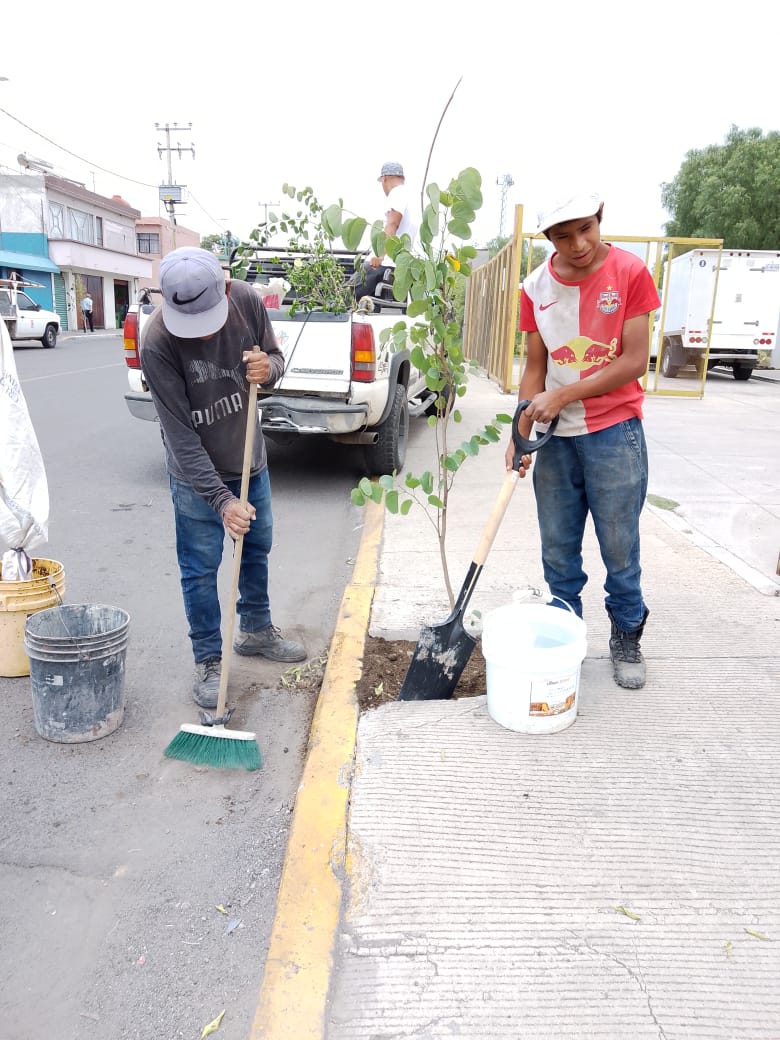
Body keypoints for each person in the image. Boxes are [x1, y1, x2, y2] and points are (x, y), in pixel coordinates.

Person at [505, 191, 661, 690]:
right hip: (553, 437)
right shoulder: (535, 287)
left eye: (585, 229)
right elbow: (534, 365)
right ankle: (564, 635)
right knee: (557, 548)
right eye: (563, 235)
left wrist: (564, 394)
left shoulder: (630, 273)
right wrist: (522, 428)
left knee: (619, 544)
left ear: (599, 220)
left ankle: (627, 633)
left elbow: (634, 360)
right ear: (548, 239)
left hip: (614, 430)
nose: (578, 244)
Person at [141, 246, 306, 709]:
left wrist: (268, 369)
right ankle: (209, 660)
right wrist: (221, 500)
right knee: (199, 569)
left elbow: (275, 359)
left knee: (255, 548)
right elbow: (180, 437)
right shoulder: (157, 341)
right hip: (196, 476)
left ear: (226, 288)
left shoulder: (248, 301)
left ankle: (254, 630)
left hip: (251, 461)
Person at [351, 161, 419, 302]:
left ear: (384, 178)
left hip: (386, 264)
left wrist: (380, 254)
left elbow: (393, 223)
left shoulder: (397, 193)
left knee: (345, 295)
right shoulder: (413, 198)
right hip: (402, 265)